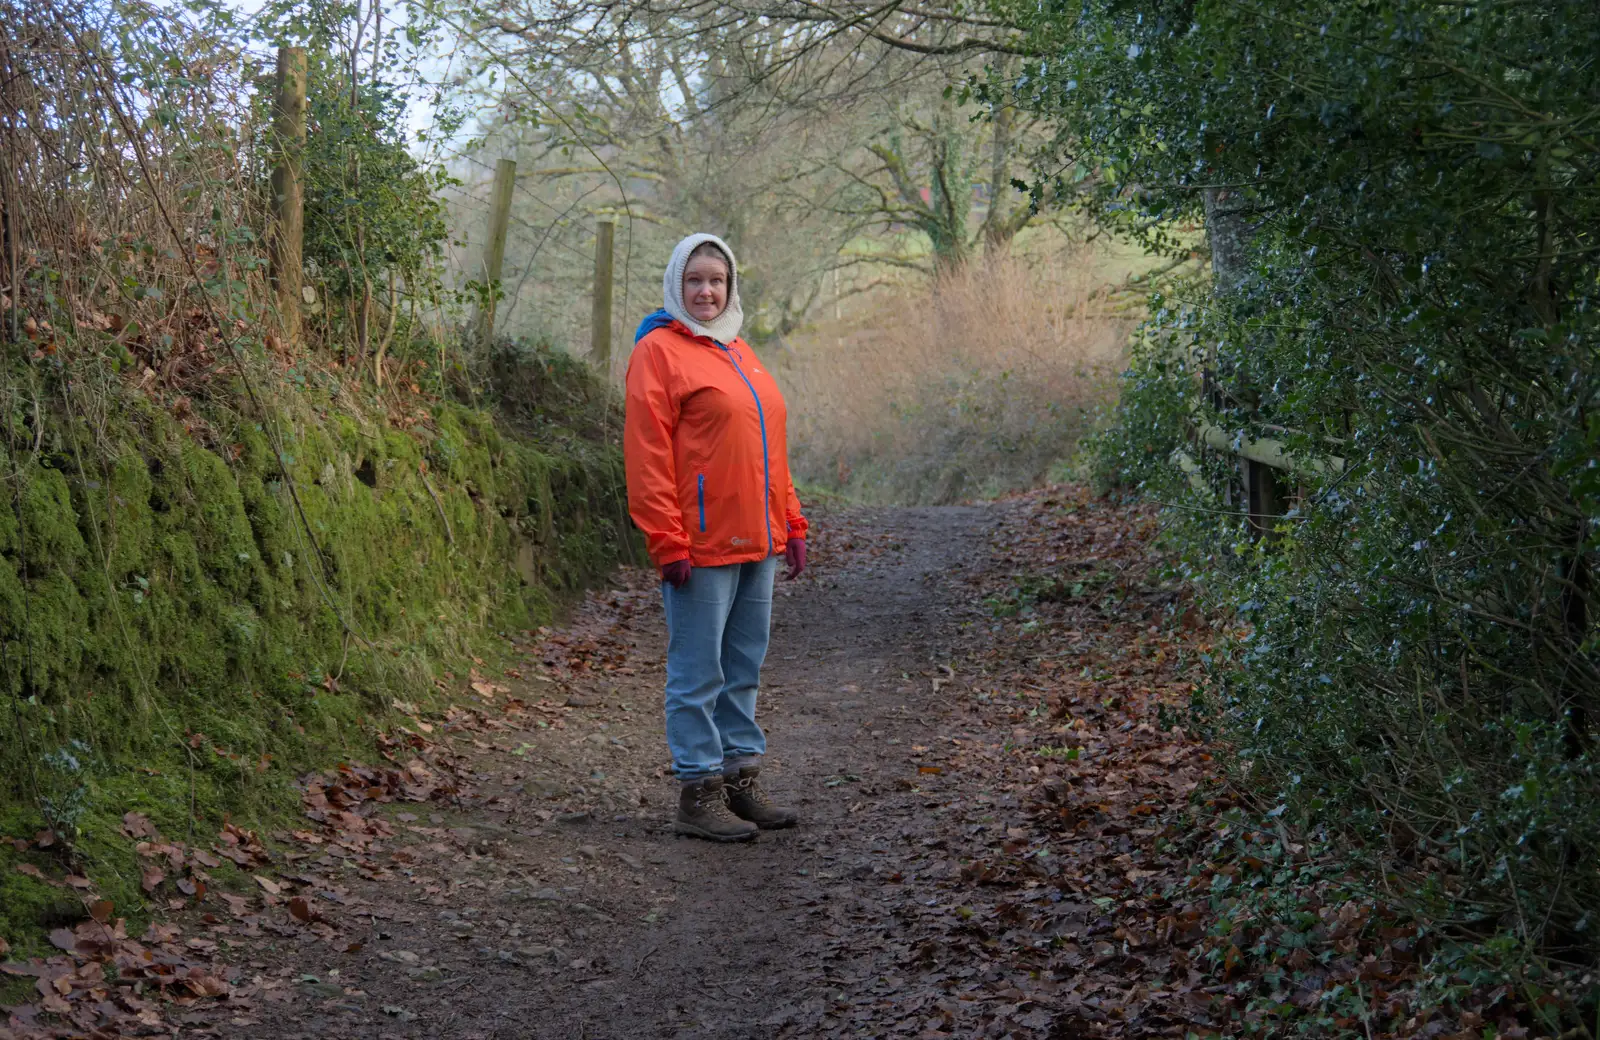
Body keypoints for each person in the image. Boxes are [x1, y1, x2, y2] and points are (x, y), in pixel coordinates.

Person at [624, 233, 809, 842]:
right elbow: (647, 455)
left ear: (730, 288)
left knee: (743, 665)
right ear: (677, 283)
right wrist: (667, 540)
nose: (706, 291)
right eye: (695, 280)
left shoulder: (740, 350)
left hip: (758, 541)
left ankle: (740, 782)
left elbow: (768, 451)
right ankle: (697, 792)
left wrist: (793, 520)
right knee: (698, 671)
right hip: (699, 544)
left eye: (717, 281)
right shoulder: (658, 351)